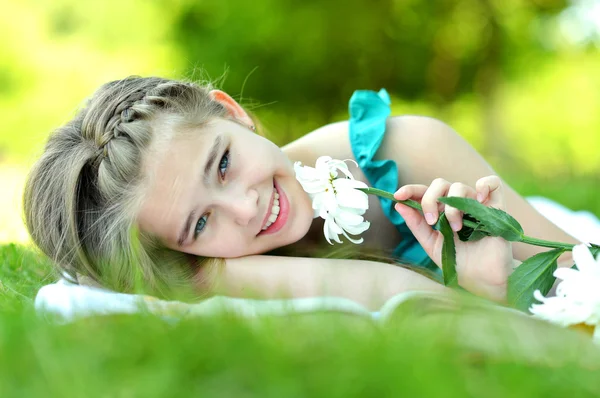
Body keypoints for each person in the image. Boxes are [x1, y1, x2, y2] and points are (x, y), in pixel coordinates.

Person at [23, 76, 578, 309]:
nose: (247, 208)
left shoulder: (410, 149)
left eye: (222, 164)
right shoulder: (220, 273)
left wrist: (502, 278)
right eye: (199, 224)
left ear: (232, 111)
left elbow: (585, 276)